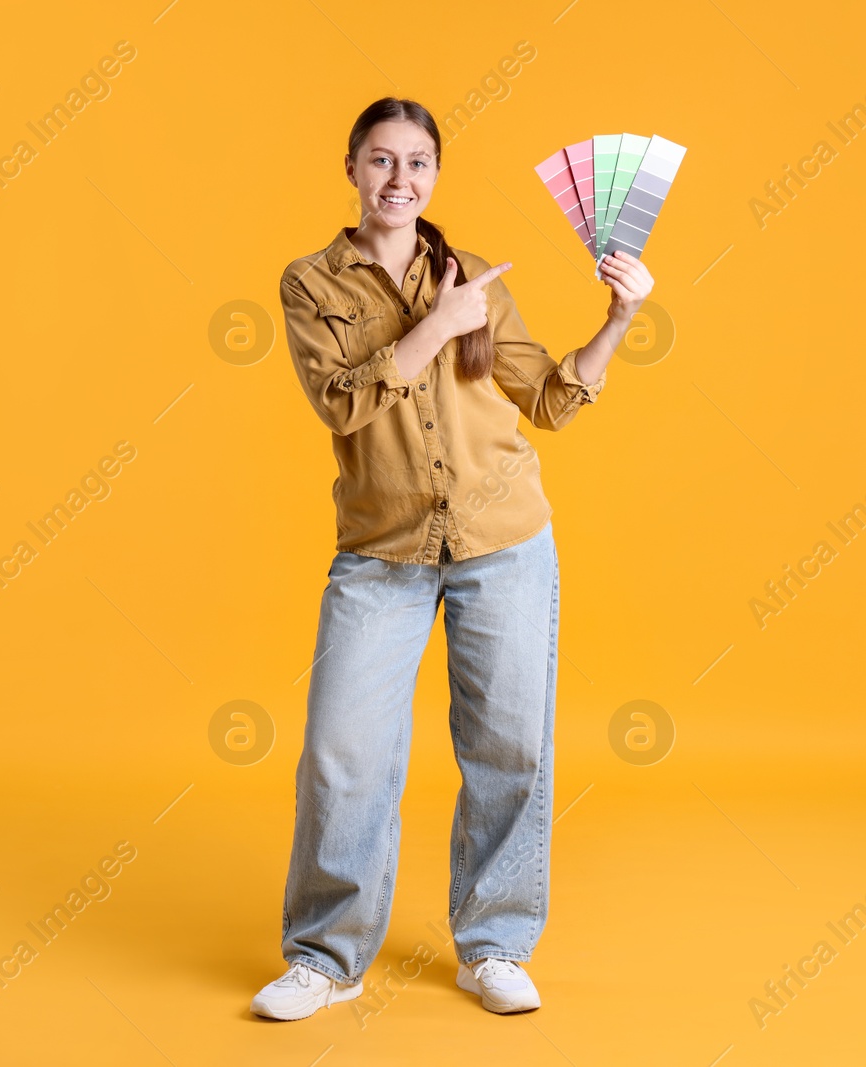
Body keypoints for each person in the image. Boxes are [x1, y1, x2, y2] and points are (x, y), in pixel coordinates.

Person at [251, 97, 653, 1021]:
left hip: (503, 542)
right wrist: (437, 323)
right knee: (343, 755)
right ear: (351, 167)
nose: (401, 180)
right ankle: (326, 955)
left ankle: (495, 944)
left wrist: (620, 319)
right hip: (382, 550)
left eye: (419, 163)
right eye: (382, 161)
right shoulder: (311, 283)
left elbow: (550, 400)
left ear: (436, 174)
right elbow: (343, 405)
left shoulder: (477, 277)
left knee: (509, 747)